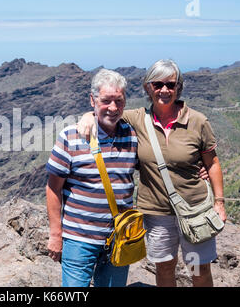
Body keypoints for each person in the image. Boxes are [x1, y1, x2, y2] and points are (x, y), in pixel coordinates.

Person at [77, 59, 227, 287]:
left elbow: (213, 163)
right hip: (156, 213)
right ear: (148, 87)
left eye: (171, 84)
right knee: (165, 266)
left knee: (197, 267)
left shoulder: (198, 121)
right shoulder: (137, 119)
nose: (164, 90)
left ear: (179, 87)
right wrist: (88, 116)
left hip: (194, 210)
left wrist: (220, 202)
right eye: (157, 84)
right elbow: (108, 110)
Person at [46, 68, 138, 287]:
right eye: (106, 100)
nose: (113, 108)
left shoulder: (132, 135)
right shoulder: (71, 136)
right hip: (79, 240)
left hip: (119, 238)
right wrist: (55, 234)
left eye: (119, 101)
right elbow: (53, 189)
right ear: (92, 100)